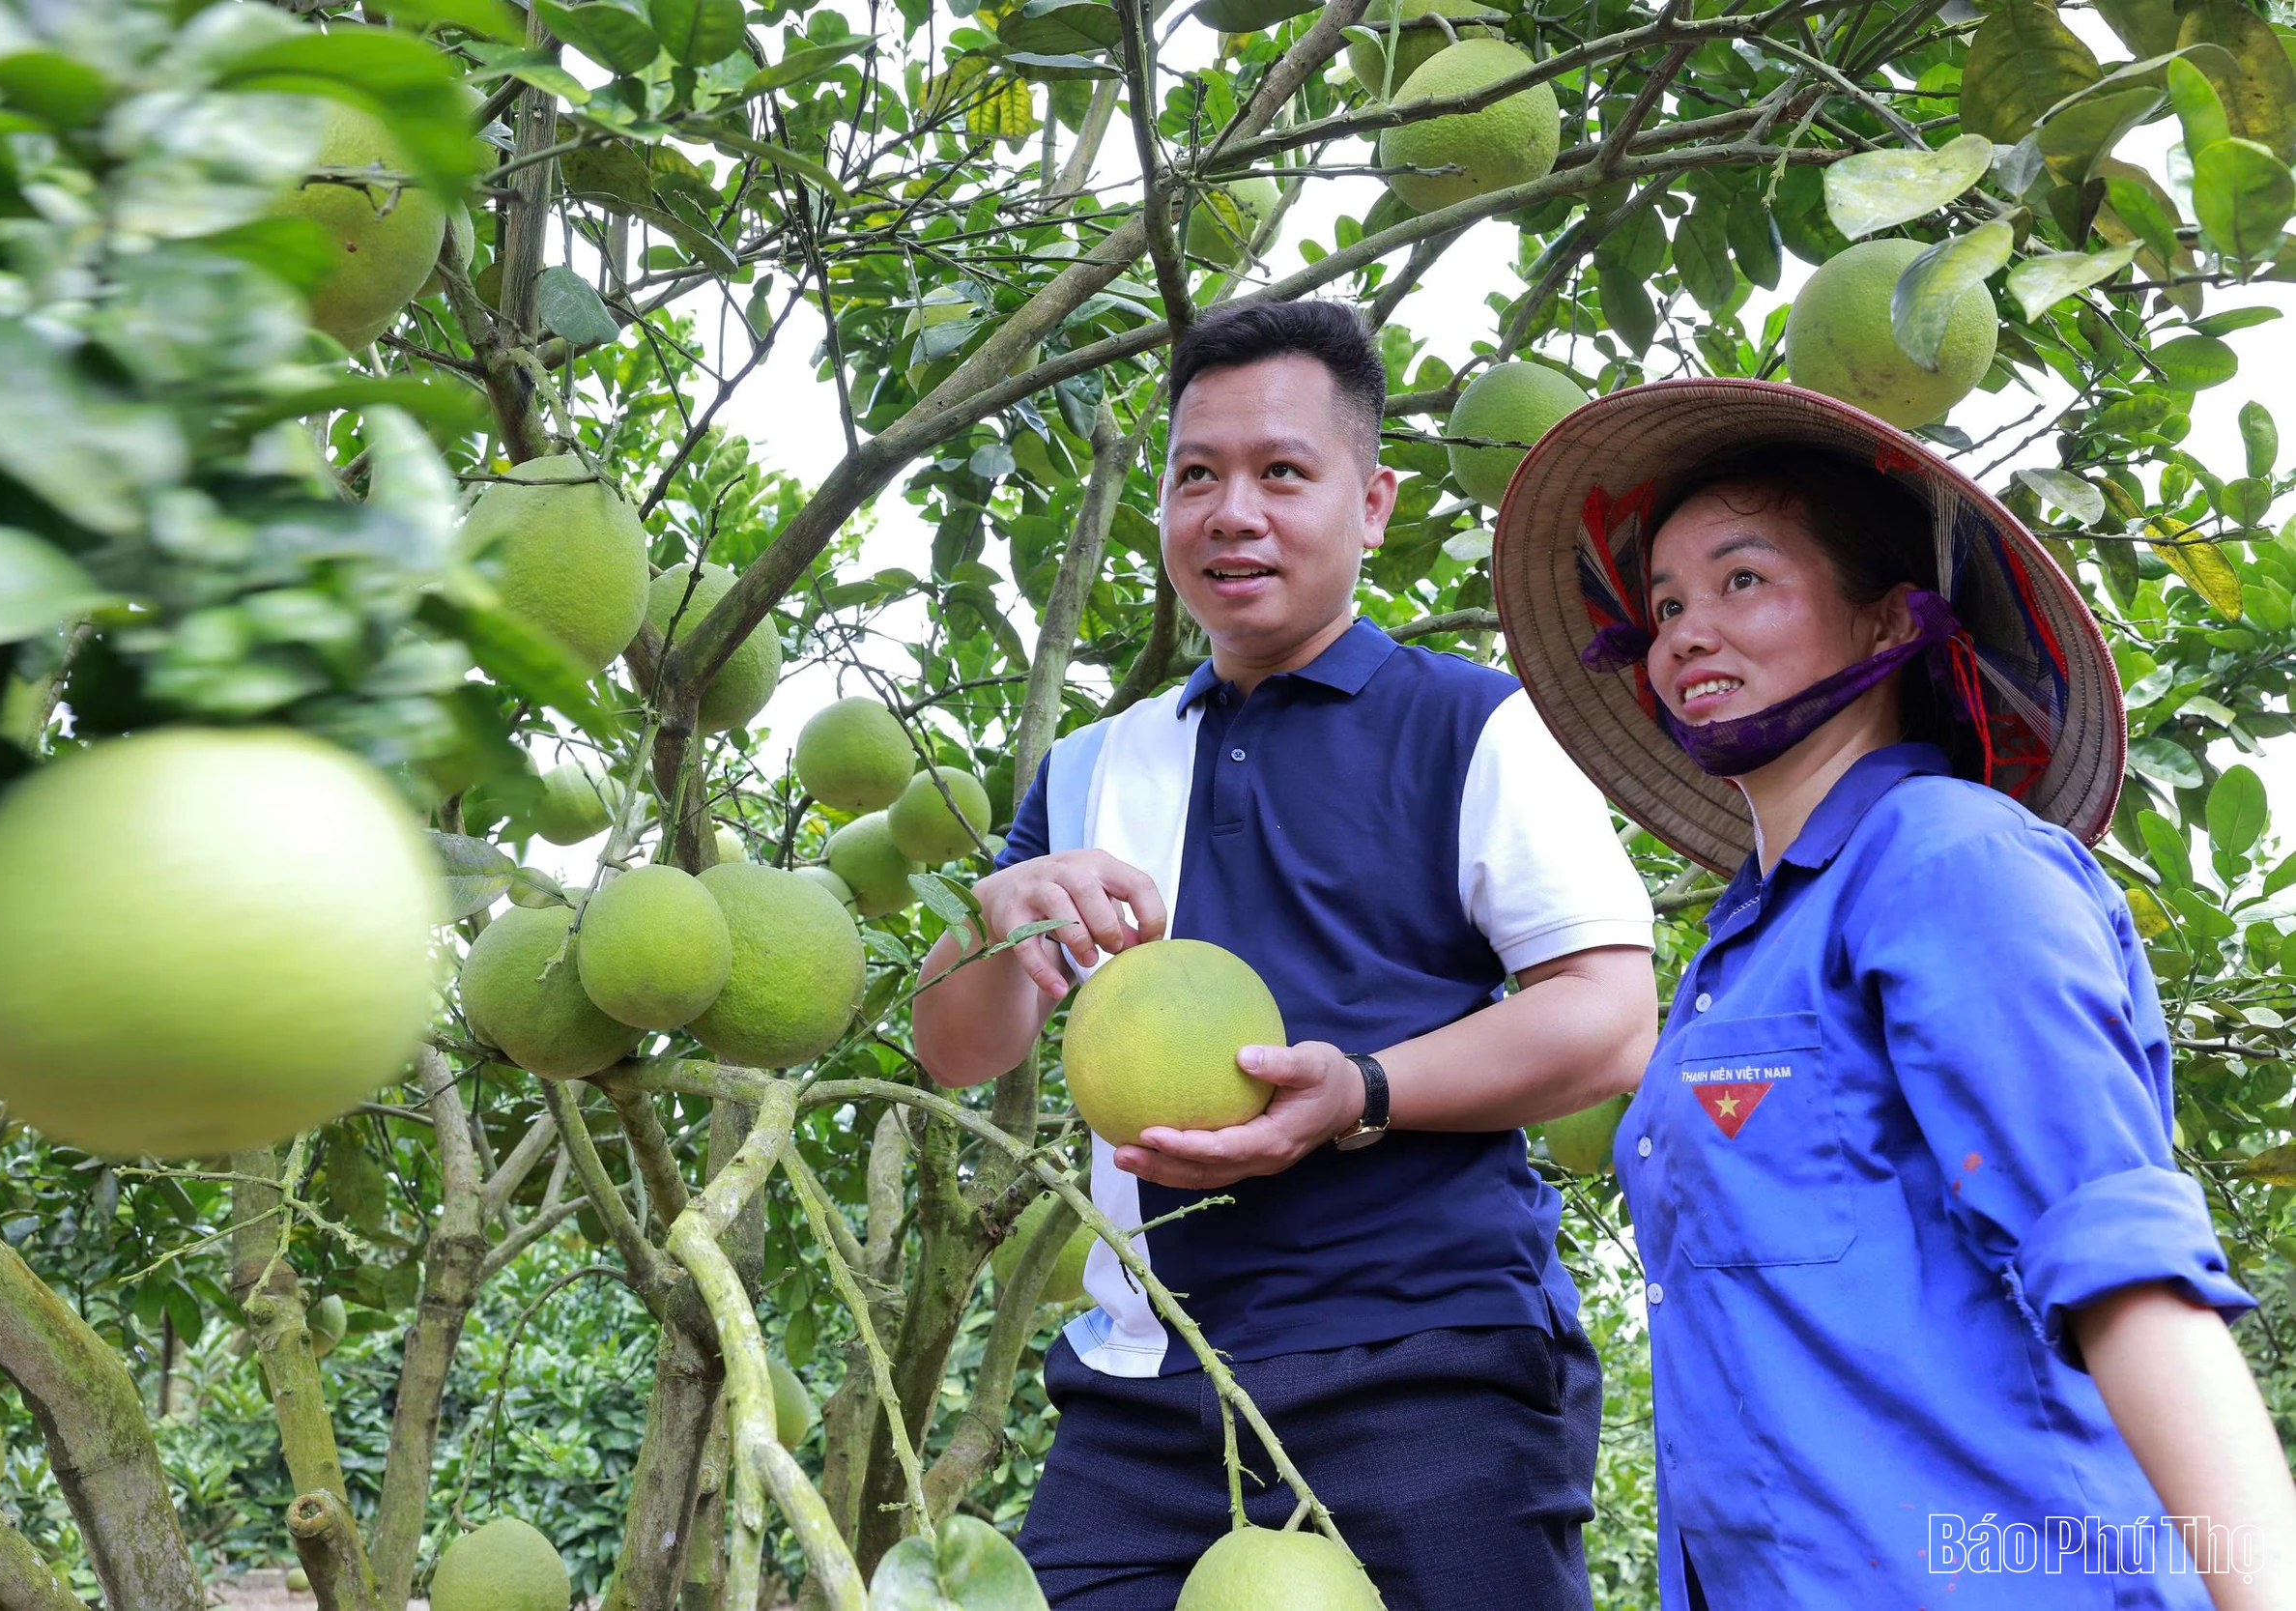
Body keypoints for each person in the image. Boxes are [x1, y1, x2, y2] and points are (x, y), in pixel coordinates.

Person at [1493, 376, 2296, 1610]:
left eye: (1742, 579)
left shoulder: (1946, 859)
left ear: (1886, 625)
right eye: (1663, 604)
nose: (1684, 633)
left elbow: (2118, 1256)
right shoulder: (1736, 953)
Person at [909, 301, 1658, 1608]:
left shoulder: (1477, 727)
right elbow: (958, 1047)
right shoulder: (1094, 765)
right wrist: (992, 914)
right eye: (1197, 474)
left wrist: (1360, 1092)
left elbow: (1607, 1015)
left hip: (1431, 1364)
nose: (1232, 511)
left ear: (1370, 504)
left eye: (1282, 473)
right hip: (1147, 1384)